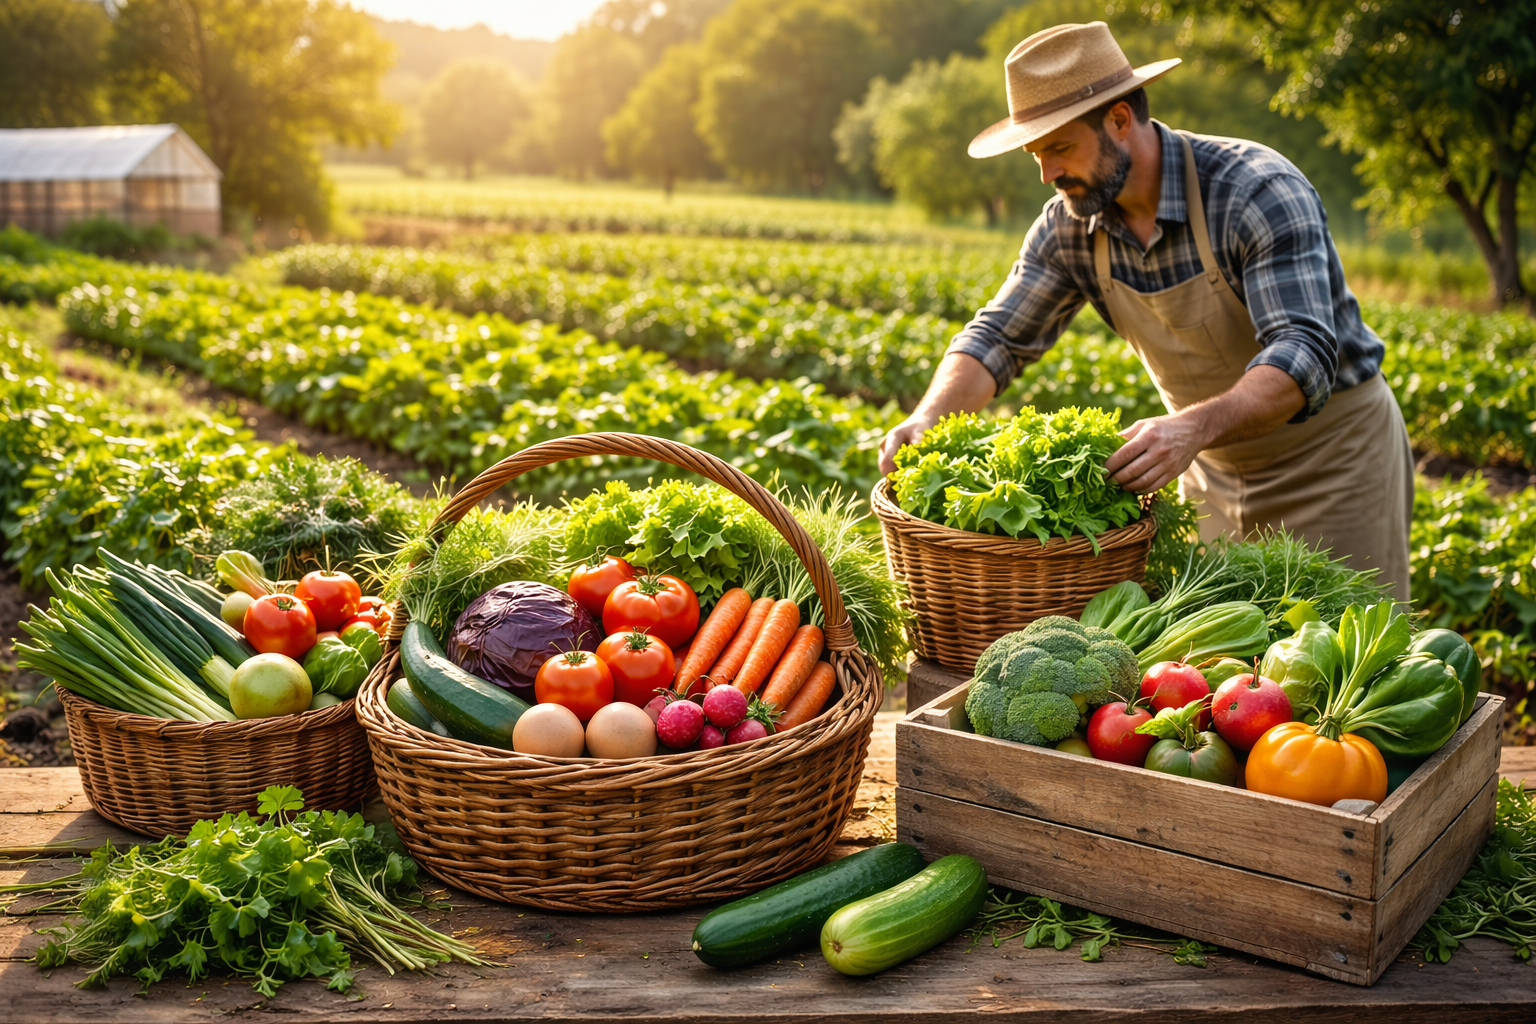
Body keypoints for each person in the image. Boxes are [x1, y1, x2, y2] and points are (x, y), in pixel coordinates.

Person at [877, 21, 1413, 599]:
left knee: (1344, 664)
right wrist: (929, 416)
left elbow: (1302, 354)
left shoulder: (1253, 189)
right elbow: (998, 338)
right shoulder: (1070, 226)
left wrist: (1189, 427)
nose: (1047, 173)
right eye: (1036, 153)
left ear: (1119, 121)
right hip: (1207, 468)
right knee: (1220, 670)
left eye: (1059, 147)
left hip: (1334, 462)